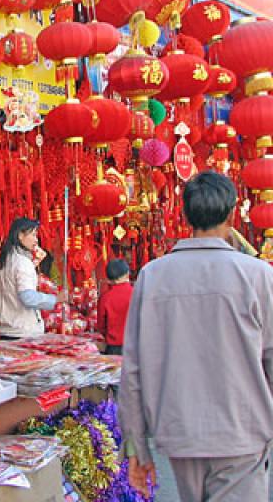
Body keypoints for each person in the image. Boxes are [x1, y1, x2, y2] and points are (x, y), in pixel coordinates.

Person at [120, 171, 273, 502]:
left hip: (179, 431)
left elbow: (132, 368)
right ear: (231, 213)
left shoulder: (152, 276)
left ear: (185, 215)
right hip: (241, 430)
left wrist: (135, 444)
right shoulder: (258, 275)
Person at [0, 218, 66, 338]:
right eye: (33, 235)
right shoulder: (22, 262)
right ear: (20, 235)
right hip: (23, 331)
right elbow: (28, 297)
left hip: (7, 329)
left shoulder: (4, 261)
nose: (36, 240)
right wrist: (55, 299)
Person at [96, 259, 132, 356]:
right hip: (135, 344)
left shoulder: (105, 298)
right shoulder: (136, 294)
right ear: (127, 274)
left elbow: (101, 326)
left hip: (113, 347)